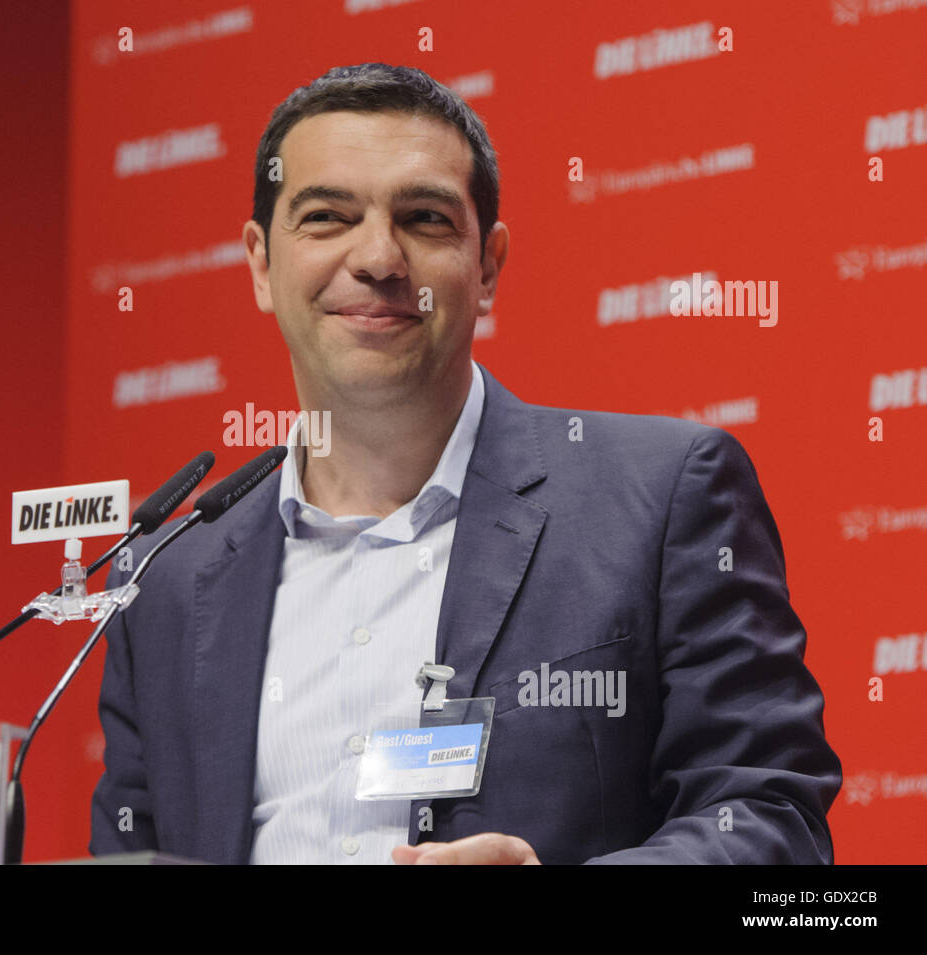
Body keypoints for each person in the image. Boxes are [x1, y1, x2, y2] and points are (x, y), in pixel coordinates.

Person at [89, 63, 841, 864]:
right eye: (326, 217)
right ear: (260, 264)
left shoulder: (662, 497)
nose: (378, 257)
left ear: (487, 267)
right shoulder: (164, 580)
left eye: (423, 218)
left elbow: (770, 817)